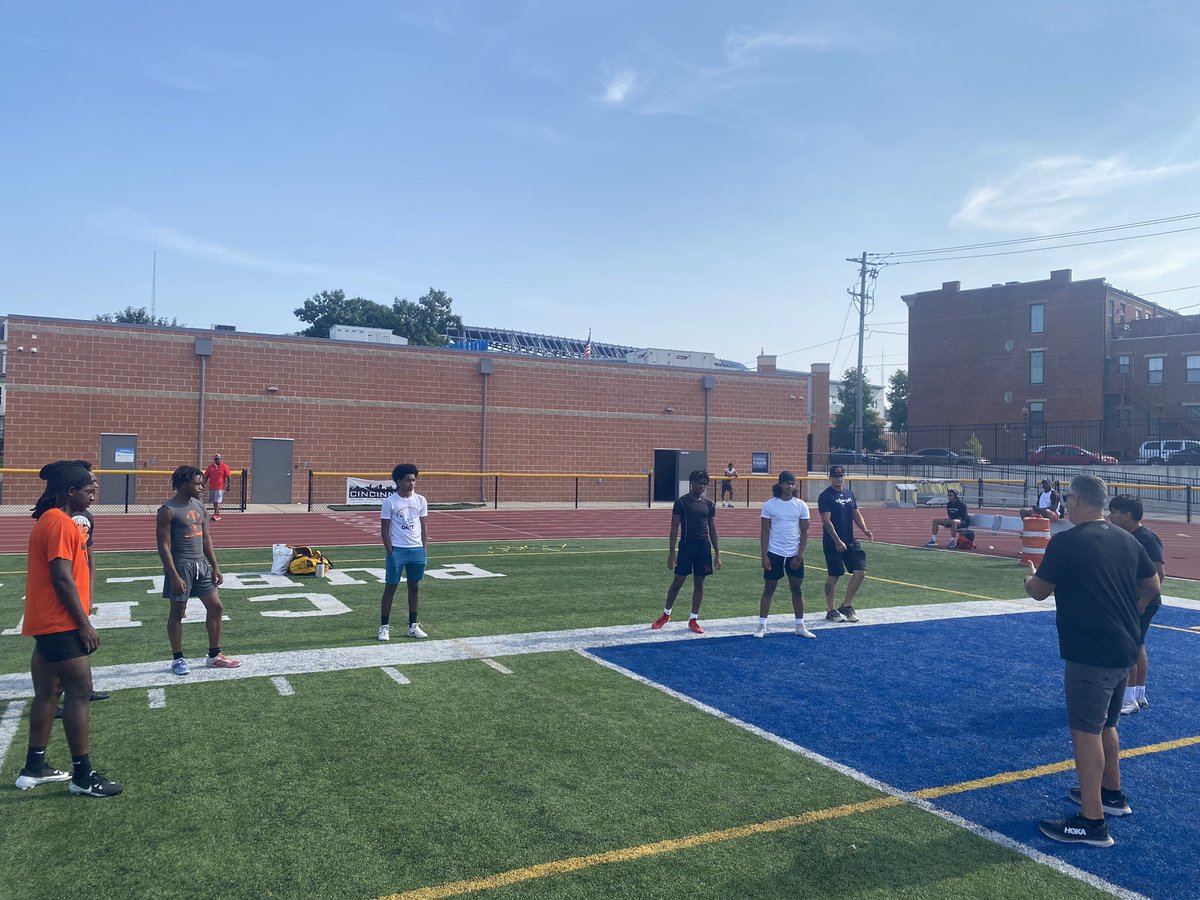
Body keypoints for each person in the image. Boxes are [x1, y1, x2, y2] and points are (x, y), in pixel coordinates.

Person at [1023, 475, 1159, 847]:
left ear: (1079, 500)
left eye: (1067, 497)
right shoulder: (1128, 539)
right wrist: (1127, 613)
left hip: (1090, 651)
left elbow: (1037, 592)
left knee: (1085, 732)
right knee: (1106, 725)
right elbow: (1153, 586)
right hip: (1124, 648)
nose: (1064, 503)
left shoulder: (1067, 541)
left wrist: (1029, 577)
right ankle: (1111, 795)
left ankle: (1092, 821)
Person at [16, 461, 122, 797]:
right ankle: (82, 774)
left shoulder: (50, 520)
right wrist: (84, 624)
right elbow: (61, 577)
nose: (94, 494)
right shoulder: (61, 523)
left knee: (48, 693)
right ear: (70, 491)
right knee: (80, 691)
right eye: (89, 488)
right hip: (60, 623)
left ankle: (34, 767)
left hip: (46, 622)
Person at [157, 466, 240, 674]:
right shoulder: (167, 510)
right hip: (181, 567)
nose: (201, 486)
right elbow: (164, 546)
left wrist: (215, 567)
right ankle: (178, 659)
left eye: (202, 482)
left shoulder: (200, 506)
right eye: (197, 483)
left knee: (216, 607)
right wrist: (174, 575)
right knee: (178, 612)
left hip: (201, 565)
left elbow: (205, 538)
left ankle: (214, 656)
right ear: (183, 484)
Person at [1107, 494, 1165, 715]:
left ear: (1127, 514)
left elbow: (1158, 574)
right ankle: (1138, 694)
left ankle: (1128, 698)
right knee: (1138, 645)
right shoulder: (1128, 535)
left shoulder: (1146, 538)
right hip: (1136, 600)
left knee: (1129, 646)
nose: (1110, 516)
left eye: (1114, 512)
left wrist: (1142, 602)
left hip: (1142, 601)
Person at [652, 470, 720, 634]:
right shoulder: (681, 502)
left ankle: (693, 619)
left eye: (703, 483)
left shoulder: (709, 504)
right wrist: (671, 552)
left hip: (703, 548)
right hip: (686, 547)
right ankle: (666, 614)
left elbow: (712, 528)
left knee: (699, 583)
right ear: (691, 483)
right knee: (678, 582)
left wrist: (717, 553)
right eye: (698, 483)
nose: (700, 486)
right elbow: (674, 527)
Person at [755, 471, 814, 639]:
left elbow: (805, 532)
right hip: (774, 553)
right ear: (780, 485)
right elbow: (765, 530)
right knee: (769, 589)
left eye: (793, 483)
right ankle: (762, 625)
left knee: (797, 589)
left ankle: (800, 625)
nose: (790, 486)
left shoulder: (801, 505)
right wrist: (764, 555)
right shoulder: (770, 505)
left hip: (793, 554)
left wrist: (799, 555)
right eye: (787, 483)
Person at [378, 463, 429, 641]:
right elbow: (384, 529)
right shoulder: (390, 502)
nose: (412, 483)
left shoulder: (421, 500)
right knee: (390, 587)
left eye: (414, 480)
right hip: (397, 551)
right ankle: (384, 627)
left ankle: (413, 626)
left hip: (416, 551)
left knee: (414, 588)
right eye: (408, 480)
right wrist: (390, 552)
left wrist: (423, 549)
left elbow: (424, 527)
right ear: (399, 481)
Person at [818, 465, 872, 623]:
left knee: (860, 572)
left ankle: (847, 605)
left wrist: (865, 529)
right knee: (834, 575)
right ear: (830, 477)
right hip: (832, 542)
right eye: (835, 476)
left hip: (849, 540)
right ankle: (830, 609)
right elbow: (826, 521)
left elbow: (856, 513)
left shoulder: (849, 494)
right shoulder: (826, 496)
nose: (838, 479)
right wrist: (837, 540)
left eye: (841, 476)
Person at [204, 454, 232, 521]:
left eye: (219, 458)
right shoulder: (210, 467)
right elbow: (206, 476)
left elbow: (228, 475)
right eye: (216, 458)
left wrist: (229, 485)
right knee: (214, 501)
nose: (217, 460)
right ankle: (217, 513)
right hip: (212, 486)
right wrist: (203, 484)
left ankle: (215, 514)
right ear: (214, 459)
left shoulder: (224, 466)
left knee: (218, 501)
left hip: (220, 487)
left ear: (221, 459)